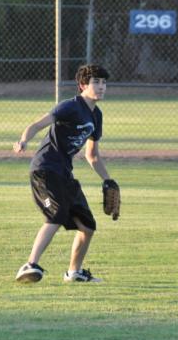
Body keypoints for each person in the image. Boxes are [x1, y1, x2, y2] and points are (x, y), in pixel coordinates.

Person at [12, 64, 116, 283]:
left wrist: (108, 180)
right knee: (57, 214)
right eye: (95, 82)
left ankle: (74, 272)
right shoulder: (70, 107)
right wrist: (23, 140)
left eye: (104, 83)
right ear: (83, 85)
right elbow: (37, 124)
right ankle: (29, 265)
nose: (101, 87)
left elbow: (92, 155)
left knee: (87, 226)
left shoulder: (96, 116)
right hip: (44, 169)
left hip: (64, 174)